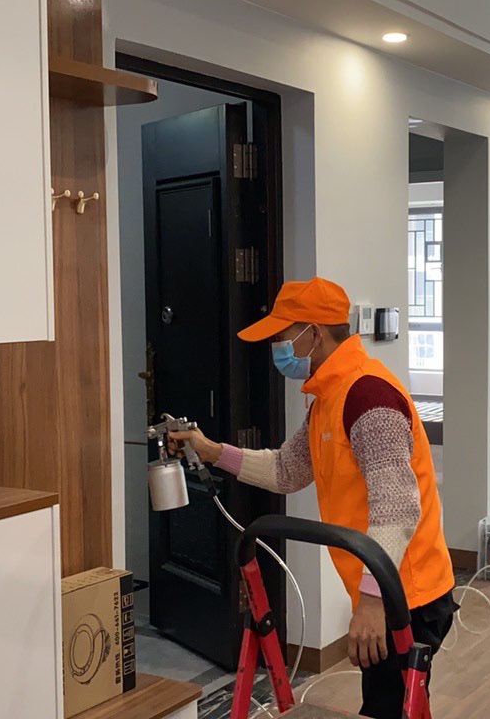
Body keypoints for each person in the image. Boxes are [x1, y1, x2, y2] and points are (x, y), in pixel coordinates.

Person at [169, 277, 456, 719]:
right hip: (383, 587)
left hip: (408, 594)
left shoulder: (368, 397)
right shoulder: (329, 396)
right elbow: (287, 470)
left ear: (314, 333)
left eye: (282, 337)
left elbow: (397, 510)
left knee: (387, 706)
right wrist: (211, 451)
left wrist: (373, 601)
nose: (277, 349)